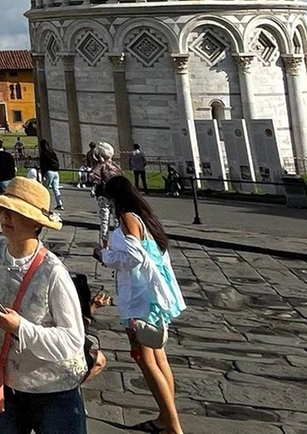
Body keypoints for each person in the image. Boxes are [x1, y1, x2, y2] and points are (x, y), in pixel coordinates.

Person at [0, 177, 87, 434]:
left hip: (51, 388)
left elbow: (72, 340)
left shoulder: (53, 272)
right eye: (4, 210)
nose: (6, 217)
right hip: (6, 381)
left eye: (15, 212)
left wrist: (21, 327)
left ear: (36, 223)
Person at [95, 177, 187, 434]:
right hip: (155, 296)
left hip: (140, 299)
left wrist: (104, 255)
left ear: (113, 199)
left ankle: (173, 425)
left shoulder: (127, 218)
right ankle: (164, 417)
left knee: (145, 359)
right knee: (159, 357)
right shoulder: (146, 218)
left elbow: (134, 257)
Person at [90, 142, 123, 244]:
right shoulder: (116, 167)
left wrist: (97, 185)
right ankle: (119, 242)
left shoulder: (100, 166)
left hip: (103, 195)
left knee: (104, 220)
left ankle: (105, 245)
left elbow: (92, 176)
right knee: (117, 220)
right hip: (116, 196)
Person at [38, 140, 63, 210]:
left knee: (45, 189)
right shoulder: (52, 152)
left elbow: (43, 165)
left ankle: (44, 204)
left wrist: (43, 175)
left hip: (49, 172)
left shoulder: (43, 154)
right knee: (56, 189)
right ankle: (59, 203)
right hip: (56, 172)